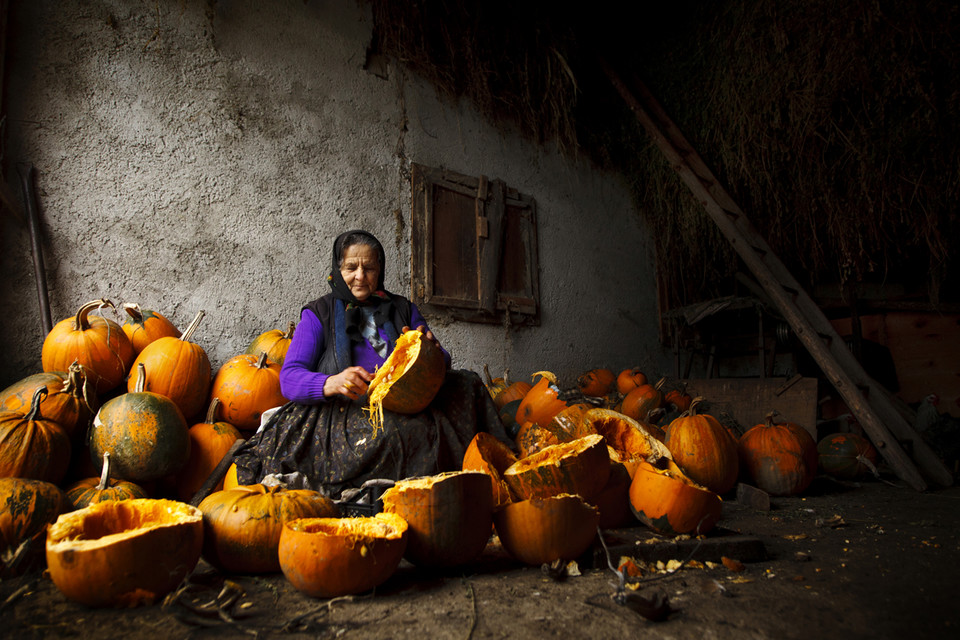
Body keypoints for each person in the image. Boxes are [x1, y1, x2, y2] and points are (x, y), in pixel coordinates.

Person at [231, 229, 512, 498]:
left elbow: (442, 362)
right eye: (351, 267)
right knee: (395, 433)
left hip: (406, 398)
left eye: (370, 269)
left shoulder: (403, 309)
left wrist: (433, 353)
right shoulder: (320, 312)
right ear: (338, 269)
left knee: (468, 383)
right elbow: (289, 377)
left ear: (381, 271)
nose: (360, 277)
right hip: (346, 405)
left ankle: (504, 470)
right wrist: (331, 382)